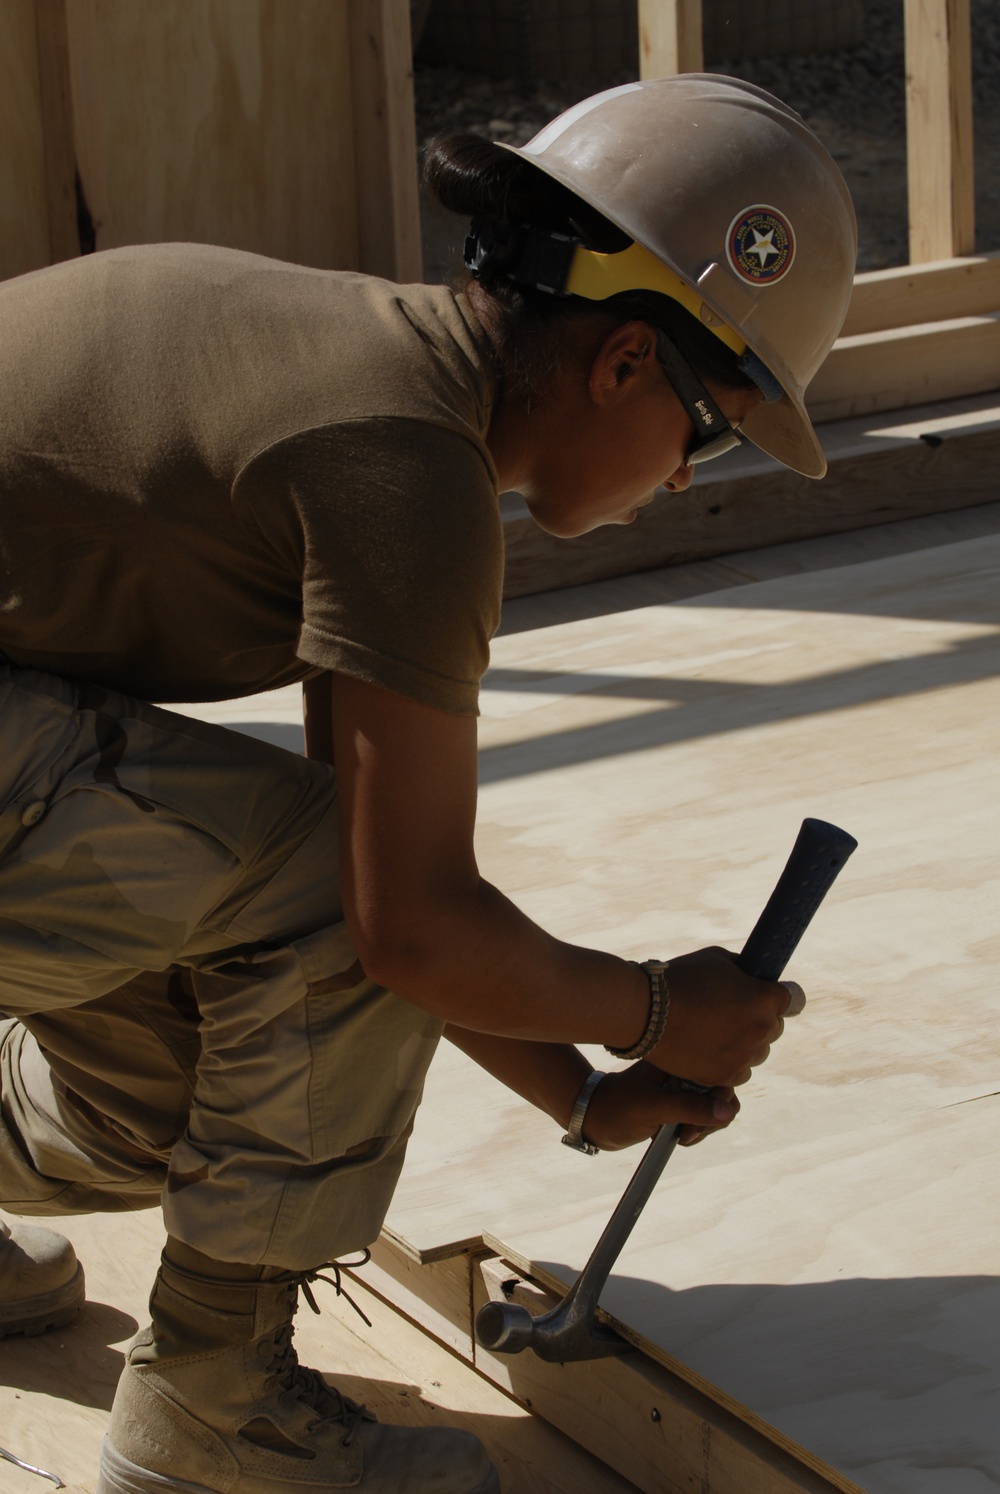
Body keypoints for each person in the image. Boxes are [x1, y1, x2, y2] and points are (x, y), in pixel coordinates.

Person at [0, 73, 855, 1494]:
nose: (693, 480)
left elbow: (374, 905)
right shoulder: (406, 474)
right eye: (711, 429)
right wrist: (658, 1006)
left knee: (199, 1039)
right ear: (627, 364)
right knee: (325, 892)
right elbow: (394, 923)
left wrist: (584, 1093)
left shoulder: (370, 382)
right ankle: (213, 1408)